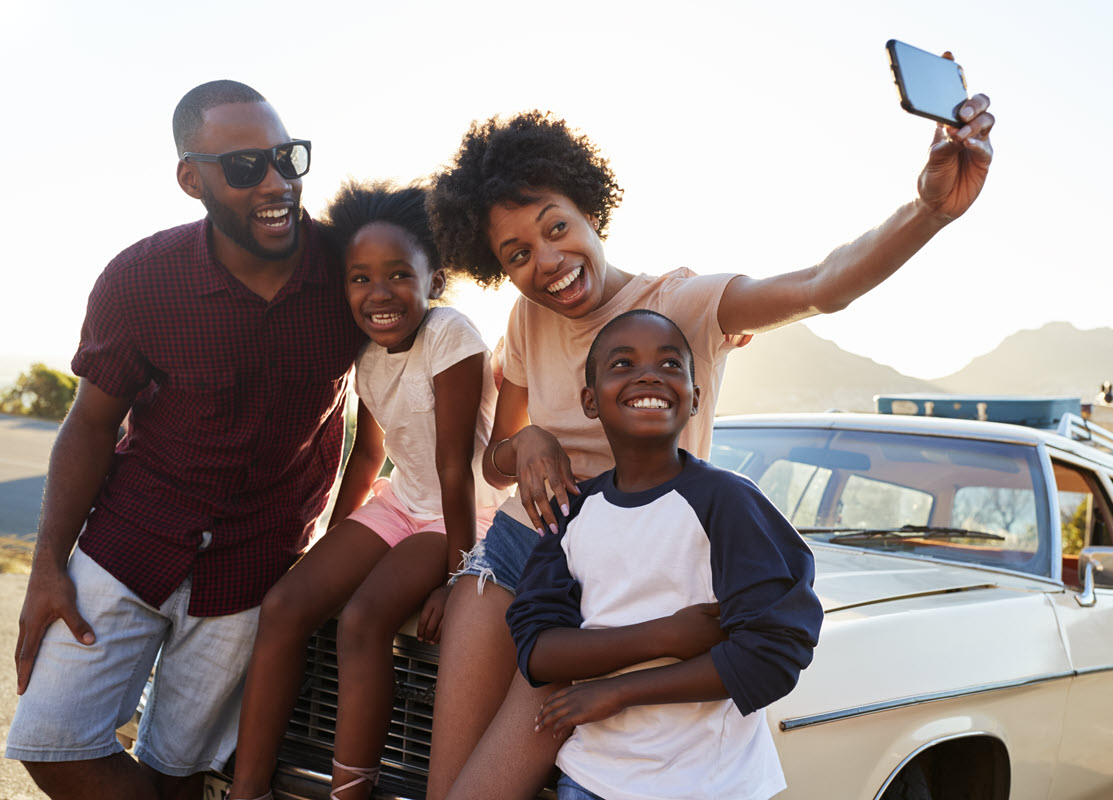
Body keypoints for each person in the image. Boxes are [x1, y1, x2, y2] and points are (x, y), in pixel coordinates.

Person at [425, 96, 993, 800]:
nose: (548, 261)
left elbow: (823, 286)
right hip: (513, 550)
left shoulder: (681, 304)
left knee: (488, 785)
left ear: (590, 210)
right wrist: (530, 441)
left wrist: (929, 211)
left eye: (557, 228)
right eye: (517, 255)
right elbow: (495, 457)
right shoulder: (525, 316)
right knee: (443, 784)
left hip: (610, 585)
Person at [6, 80, 363, 800]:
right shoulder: (139, 280)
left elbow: (381, 415)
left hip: (258, 558)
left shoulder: (350, 273)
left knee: (182, 772)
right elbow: (91, 425)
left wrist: (336, 543)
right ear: (190, 178)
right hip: (129, 538)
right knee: (51, 744)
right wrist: (47, 564)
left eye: (287, 158)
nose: (276, 182)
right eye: (245, 167)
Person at [225, 180, 508, 800]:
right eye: (359, 277)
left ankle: (348, 791)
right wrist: (333, 542)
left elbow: (455, 468)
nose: (379, 293)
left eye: (398, 274)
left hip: (461, 516)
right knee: (285, 605)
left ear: (434, 279)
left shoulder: (451, 335)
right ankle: (247, 788)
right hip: (401, 502)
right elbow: (370, 451)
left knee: (361, 621)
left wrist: (459, 577)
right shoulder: (367, 350)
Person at [506, 309, 822, 800]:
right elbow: (537, 648)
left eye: (671, 364)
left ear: (695, 398)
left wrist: (618, 690)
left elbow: (774, 654)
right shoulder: (572, 512)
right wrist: (664, 635)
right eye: (623, 364)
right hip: (590, 778)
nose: (649, 374)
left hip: (711, 784)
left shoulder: (729, 502)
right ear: (590, 400)